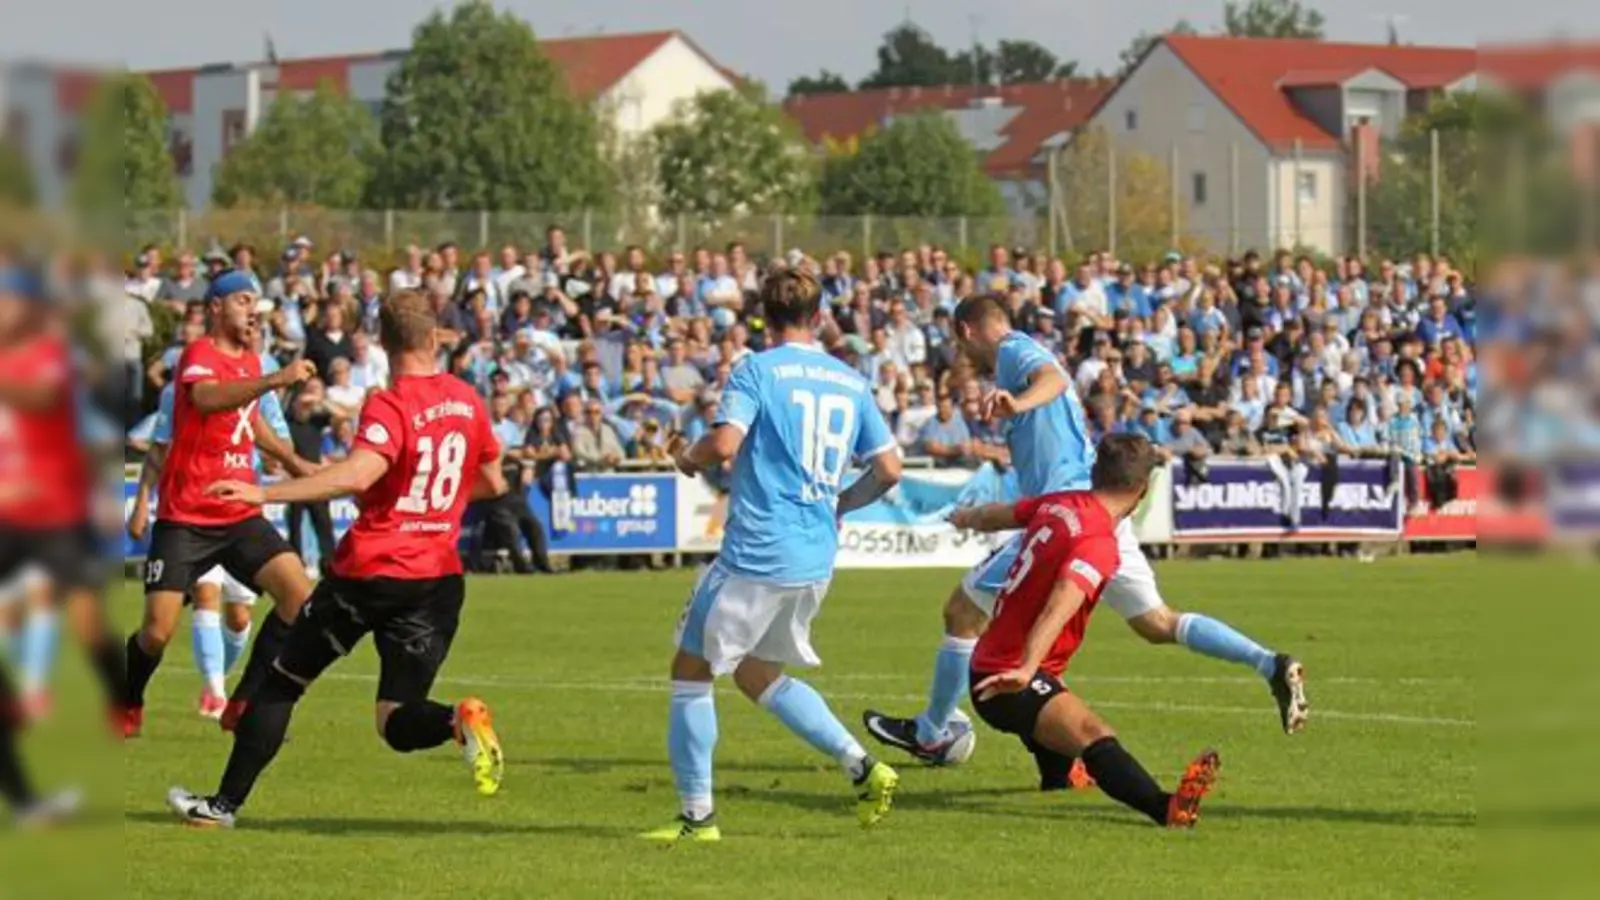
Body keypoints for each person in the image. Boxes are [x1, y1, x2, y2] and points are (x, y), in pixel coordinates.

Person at [864, 293, 1307, 778]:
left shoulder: (1014, 350)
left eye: (957, 341)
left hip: (1066, 519)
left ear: (967, 331)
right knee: (1156, 622)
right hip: (1101, 515)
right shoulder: (1015, 363)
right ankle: (1269, 663)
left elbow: (1052, 380)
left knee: (962, 611)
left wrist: (1019, 401)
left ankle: (932, 733)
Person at [167, 290, 510, 828]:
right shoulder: (468, 399)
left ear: (384, 340)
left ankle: (223, 806)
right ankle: (456, 722)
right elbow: (491, 480)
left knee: (283, 682)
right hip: (437, 580)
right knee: (394, 720)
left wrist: (265, 494)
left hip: (369, 574)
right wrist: (427, 500)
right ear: (435, 337)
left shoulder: (390, 401)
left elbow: (356, 475)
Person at [642, 270, 904, 843]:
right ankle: (863, 766)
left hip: (757, 552)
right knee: (757, 673)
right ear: (819, 315)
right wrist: (842, 504)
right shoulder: (850, 380)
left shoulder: (757, 369)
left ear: (763, 316)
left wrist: (690, 457)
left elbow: (726, 444)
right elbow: (889, 469)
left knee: (691, 673)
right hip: (814, 556)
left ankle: (696, 818)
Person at [950, 434, 1221, 826]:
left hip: (1000, 661)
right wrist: (1027, 667)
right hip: (1007, 675)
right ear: (1141, 491)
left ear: (1095, 474)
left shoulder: (1062, 504)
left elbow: (1002, 514)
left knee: (1056, 711)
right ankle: (1168, 809)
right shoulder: (1098, 543)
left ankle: (1059, 778)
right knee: (1091, 731)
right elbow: (1062, 601)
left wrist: (966, 517)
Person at [123, 270, 320, 738]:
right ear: (215, 306)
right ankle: (127, 699)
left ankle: (244, 701)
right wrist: (275, 378)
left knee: (301, 598)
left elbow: (252, 426)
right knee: (156, 633)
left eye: (256, 302)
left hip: (238, 513)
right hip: (186, 517)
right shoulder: (199, 355)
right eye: (243, 300)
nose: (252, 310)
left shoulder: (251, 363)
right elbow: (209, 399)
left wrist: (297, 465)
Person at [0, 265, 127, 736]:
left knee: (86, 620)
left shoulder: (49, 356)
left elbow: (44, 397)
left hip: (55, 513)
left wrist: (102, 498)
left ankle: (119, 694)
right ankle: (23, 695)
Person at [128, 381, 261, 719]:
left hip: (239, 514)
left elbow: (278, 440)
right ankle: (215, 691)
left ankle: (219, 678)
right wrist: (143, 502)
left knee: (240, 616)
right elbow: (158, 451)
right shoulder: (178, 393)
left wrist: (288, 462)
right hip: (191, 515)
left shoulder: (262, 381)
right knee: (204, 593)